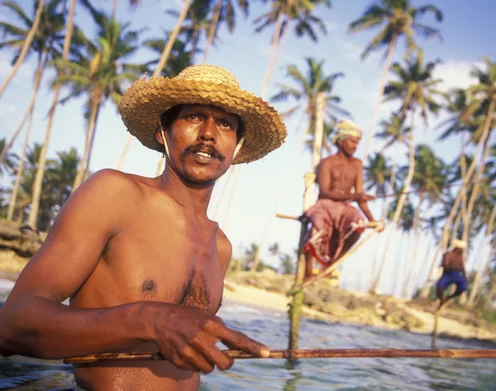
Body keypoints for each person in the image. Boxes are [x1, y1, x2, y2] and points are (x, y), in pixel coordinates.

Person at [0, 64, 287, 390]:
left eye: (224, 123)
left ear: (235, 148)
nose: (208, 132)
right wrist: (149, 320)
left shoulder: (221, 246)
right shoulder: (114, 194)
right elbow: (11, 326)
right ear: (162, 133)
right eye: (194, 117)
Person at [301, 120, 384, 280]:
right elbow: (325, 192)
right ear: (341, 141)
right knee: (318, 224)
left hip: (344, 208)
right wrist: (355, 196)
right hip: (324, 205)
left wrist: (372, 220)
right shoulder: (327, 162)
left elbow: (360, 197)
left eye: (357, 143)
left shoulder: (357, 164)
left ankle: (332, 264)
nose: (355, 146)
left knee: (357, 224)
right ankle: (308, 270)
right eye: (353, 141)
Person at [436, 239, 468, 310]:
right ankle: (440, 301)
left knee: (463, 287)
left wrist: (465, 277)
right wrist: (452, 267)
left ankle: (447, 298)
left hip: (456, 274)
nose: (461, 250)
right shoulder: (448, 254)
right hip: (448, 274)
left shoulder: (460, 257)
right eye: (461, 248)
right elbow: (445, 265)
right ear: (457, 248)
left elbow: (462, 267)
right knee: (440, 287)